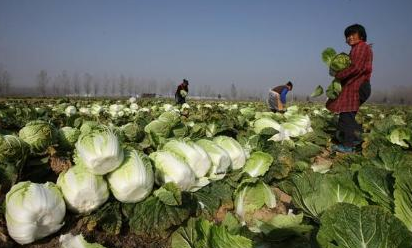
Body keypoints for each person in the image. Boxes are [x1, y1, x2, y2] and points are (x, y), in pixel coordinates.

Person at [326, 24, 373, 153]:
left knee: (346, 115)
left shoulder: (361, 47)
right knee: (348, 115)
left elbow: (355, 67)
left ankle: (347, 146)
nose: (349, 38)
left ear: (361, 35)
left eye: (353, 34)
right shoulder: (358, 49)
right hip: (357, 85)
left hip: (357, 86)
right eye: (347, 36)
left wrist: (339, 74)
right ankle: (355, 139)